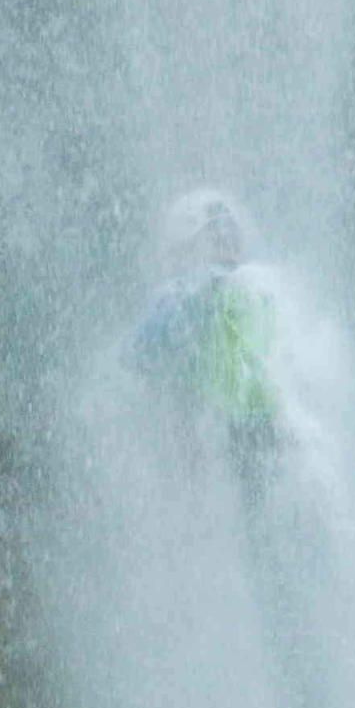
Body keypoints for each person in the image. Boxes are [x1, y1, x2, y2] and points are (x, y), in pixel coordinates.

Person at [127, 189, 286, 499]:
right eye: (220, 236)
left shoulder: (187, 288)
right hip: (260, 422)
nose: (227, 244)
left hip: (224, 423)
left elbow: (140, 352)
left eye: (228, 237)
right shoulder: (264, 287)